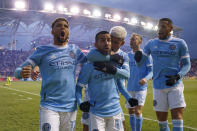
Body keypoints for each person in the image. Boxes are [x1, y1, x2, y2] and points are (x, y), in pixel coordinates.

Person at [14, 17, 87, 131]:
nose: (63, 27)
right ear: (52, 31)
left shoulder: (75, 50)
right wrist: (21, 72)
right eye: (59, 25)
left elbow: (90, 65)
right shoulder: (42, 50)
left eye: (66, 26)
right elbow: (17, 71)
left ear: (68, 32)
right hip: (49, 106)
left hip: (71, 106)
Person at [135, 18, 191, 131]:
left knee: (178, 118)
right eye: (158, 27)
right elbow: (140, 63)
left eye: (163, 26)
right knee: (161, 122)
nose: (159, 29)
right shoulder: (151, 43)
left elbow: (187, 65)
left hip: (175, 86)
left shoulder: (180, 43)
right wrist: (137, 56)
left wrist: (178, 76)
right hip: (158, 86)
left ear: (170, 28)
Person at [76, 31, 138, 131]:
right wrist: (81, 103)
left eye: (109, 40)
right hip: (96, 112)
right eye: (102, 40)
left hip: (115, 110)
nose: (106, 43)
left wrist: (129, 97)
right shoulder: (89, 66)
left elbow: (120, 85)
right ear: (96, 44)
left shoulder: (115, 63)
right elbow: (78, 88)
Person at [126, 33, 153, 131]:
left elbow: (151, 71)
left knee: (137, 111)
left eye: (134, 39)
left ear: (140, 42)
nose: (131, 41)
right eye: (130, 40)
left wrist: (145, 79)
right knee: (131, 111)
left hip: (141, 88)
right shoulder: (127, 55)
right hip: (129, 87)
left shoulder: (145, 55)